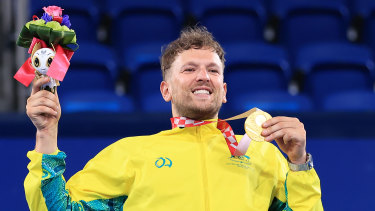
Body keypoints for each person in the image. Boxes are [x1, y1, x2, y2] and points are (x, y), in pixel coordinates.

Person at [24, 26, 323, 210]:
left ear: (224, 90)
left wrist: (299, 164)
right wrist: (46, 134)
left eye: (213, 70)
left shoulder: (264, 157)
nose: (203, 76)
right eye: (189, 69)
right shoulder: (130, 154)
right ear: (165, 90)